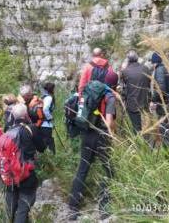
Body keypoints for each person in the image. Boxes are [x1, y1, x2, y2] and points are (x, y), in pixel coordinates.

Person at [68, 70, 119, 220]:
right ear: (115, 83)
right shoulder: (109, 96)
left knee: (82, 169)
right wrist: (113, 136)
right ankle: (104, 208)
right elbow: (109, 122)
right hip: (102, 136)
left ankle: (73, 208)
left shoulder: (90, 89)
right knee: (109, 171)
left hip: (87, 134)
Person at [4, 103, 45, 223]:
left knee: (10, 205)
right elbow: (41, 147)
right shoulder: (30, 129)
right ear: (26, 115)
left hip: (10, 173)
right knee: (24, 205)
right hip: (27, 172)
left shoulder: (7, 131)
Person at [149, 53, 169, 145]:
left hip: (167, 106)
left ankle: (168, 156)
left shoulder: (159, 70)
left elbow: (161, 88)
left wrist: (153, 100)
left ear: (154, 62)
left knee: (166, 132)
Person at [121, 50, 150, 133]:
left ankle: (138, 143)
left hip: (132, 103)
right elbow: (150, 83)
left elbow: (123, 87)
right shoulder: (145, 68)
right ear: (137, 59)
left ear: (128, 60)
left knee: (136, 128)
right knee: (147, 126)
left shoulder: (125, 71)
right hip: (145, 102)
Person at [40, 82, 56, 154]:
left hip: (40, 123)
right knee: (48, 141)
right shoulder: (49, 98)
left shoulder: (43, 97)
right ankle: (52, 156)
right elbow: (45, 109)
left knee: (44, 141)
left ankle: (46, 157)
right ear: (51, 89)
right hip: (46, 124)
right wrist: (50, 117)